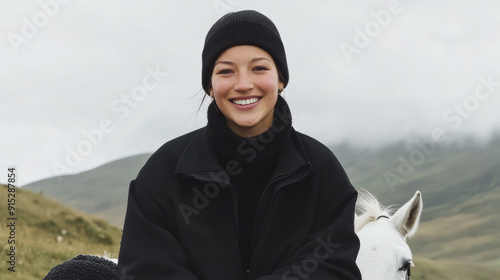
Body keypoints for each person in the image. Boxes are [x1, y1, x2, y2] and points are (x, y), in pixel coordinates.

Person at [118, 10, 361, 280]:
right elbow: (145, 269)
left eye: (259, 68)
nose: (243, 84)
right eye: (225, 71)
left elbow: (334, 268)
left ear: (280, 79)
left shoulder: (323, 172)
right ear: (210, 85)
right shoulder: (162, 173)